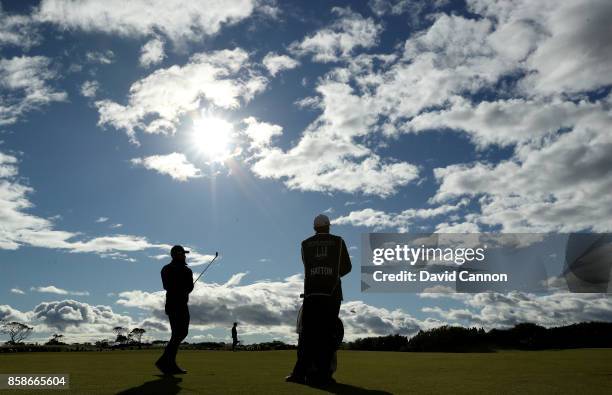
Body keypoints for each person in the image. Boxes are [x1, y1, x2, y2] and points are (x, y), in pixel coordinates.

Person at [286, 214, 352, 386]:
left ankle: (300, 374)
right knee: (327, 335)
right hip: (332, 294)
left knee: (307, 336)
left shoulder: (305, 244)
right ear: (329, 226)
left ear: (314, 228)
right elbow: (347, 267)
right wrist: (332, 275)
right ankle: (323, 376)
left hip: (311, 294)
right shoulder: (338, 241)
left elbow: (307, 266)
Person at [155, 245, 193, 375]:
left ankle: (167, 361)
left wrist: (186, 285)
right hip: (173, 304)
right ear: (175, 254)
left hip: (183, 304)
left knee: (182, 332)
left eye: (184, 254)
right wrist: (183, 285)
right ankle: (167, 362)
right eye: (182, 253)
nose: (184, 256)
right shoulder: (167, 269)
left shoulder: (187, 270)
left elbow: (190, 287)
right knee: (178, 333)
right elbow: (167, 285)